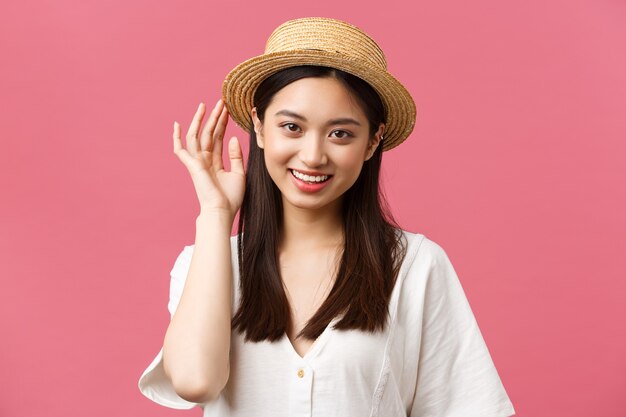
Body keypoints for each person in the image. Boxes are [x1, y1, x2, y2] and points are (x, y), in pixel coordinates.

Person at [138, 17, 516, 417]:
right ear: (260, 128)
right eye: (291, 127)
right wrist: (216, 214)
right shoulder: (206, 263)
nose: (314, 155)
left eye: (340, 134)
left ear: (372, 141)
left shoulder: (415, 266)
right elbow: (196, 382)